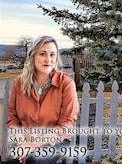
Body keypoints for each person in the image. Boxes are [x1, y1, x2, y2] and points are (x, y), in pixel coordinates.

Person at [6, 36, 79, 164]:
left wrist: (33, 144)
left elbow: (66, 123)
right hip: (26, 137)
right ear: (33, 56)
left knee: (35, 159)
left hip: (57, 139)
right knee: (13, 160)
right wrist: (22, 140)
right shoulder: (19, 83)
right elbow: (12, 117)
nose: (48, 59)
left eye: (52, 55)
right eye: (42, 54)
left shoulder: (66, 83)